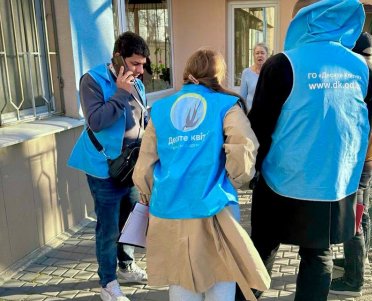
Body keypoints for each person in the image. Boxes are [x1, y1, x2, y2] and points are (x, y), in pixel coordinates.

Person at [238, 0, 372, 300]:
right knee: (318, 256)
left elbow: (258, 127)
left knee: (261, 249)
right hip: (333, 186)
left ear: (303, 22)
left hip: (281, 181)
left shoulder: (282, 64)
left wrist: (253, 171)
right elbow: (363, 125)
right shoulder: (363, 70)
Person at [132, 48, 270, 301]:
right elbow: (245, 146)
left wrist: (148, 191)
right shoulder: (226, 104)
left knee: (181, 281)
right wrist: (234, 179)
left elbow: (145, 163)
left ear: (187, 72)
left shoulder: (161, 108)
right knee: (221, 276)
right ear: (218, 74)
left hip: (169, 207)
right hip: (215, 204)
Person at [68, 31, 149, 301]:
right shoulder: (92, 80)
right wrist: (120, 93)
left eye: (143, 63)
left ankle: (126, 265)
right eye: (135, 63)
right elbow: (96, 121)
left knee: (131, 220)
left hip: (131, 165)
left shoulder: (137, 82)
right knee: (108, 227)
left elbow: (142, 120)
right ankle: (108, 283)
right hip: (104, 167)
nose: (141, 69)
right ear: (118, 58)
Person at [329, 32, 372, 297]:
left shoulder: (365, 82)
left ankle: (354, 281)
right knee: (360, 215)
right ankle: (356, 261)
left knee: (351, 220)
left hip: (358, 162)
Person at [239, 43, 269, 111]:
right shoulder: (246, 72)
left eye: (262, 53)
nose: (260, 55)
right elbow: (242, 96)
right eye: (257, 53)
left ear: (267, 55)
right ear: (253, 55)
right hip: (250, 113)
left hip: (267, 113)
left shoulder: (272, 73)